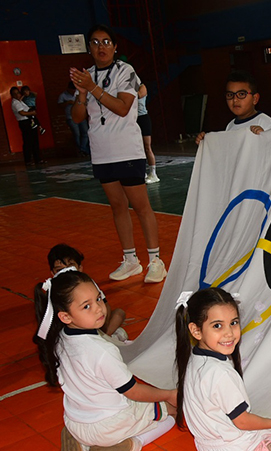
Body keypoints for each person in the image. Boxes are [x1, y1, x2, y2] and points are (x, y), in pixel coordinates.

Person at [33, 268, 176, 451]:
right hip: (110, 427)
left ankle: (81, 442)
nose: (99, 309)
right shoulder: (102, 350)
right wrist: (168, 395)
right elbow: (133, 392)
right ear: (65, 316)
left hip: (75, 421)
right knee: (171, 413)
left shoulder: (59, 339)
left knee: (100, 409)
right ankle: (131, 444)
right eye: (86, 306)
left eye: (98, 299)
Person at [175, 288, 271, 451]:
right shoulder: (221, 374)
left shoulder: (193, 359)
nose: (229, 333)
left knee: (260, 428)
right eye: (217, 326)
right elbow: (243, 422)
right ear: (195, 331)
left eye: (233, 322)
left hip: (205, 447)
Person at [70, 25, 167, 284]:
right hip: (101, 152)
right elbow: (77, 116)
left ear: (115, 47)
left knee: (140, 206)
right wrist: (81, 93)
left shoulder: (126, 71)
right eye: (95, 42)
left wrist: (92, 88)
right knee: (117, 206)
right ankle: (130, 260)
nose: (101, 47)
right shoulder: (87, 76)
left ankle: (156, 260)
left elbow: (123, 108)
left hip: (126, 149)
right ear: (89, 48)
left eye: (106, 42)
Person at [47, 243, 127, 339]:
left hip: (96, 323)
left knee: (119, 313)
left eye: (70, 267)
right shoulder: (54, 290)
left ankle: (106, 336)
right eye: (60, 270)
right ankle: (107, 337)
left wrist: (103, 323)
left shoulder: (86, 283)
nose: (67, 272)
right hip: (76, 328)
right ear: (52, 273)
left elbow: (106, 305)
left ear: (80, 268)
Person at [195, 71, 271, 143]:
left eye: (241, 94)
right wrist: (206, 142)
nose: (235, 100)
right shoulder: (230, 126)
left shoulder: (265, 122)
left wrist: (264, 138)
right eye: (230, 95)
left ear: (255, 99)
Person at [10, 86, 42, 166]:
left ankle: (37, 159)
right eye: (15, 94)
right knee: (28, 142)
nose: (17, 95)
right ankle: (28, 160)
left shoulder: (19, 101)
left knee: (34, 141)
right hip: (25, 122)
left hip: (29, 120)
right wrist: (32, 113)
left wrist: (24, 94)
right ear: (12, 95)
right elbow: (22, 113)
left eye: (18, 93)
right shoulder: (15, 103)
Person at [58, 82, 90, 156]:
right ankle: (79, 150)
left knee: (86, 132)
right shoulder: (63, 95)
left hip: (81, 116)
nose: (73, 91)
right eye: (72, 90)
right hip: (70, 117)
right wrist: (67, 103)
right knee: (77, 134)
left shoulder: (79, 93)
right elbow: (59, 105)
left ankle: (83, 149)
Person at [136, 82, 158, 184]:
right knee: (136, 147)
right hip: (133, 119)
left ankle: (153, 174)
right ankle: (142, 172)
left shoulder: (142, 86)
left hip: (143, 118)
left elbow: (139, 95)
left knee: (147, 147)